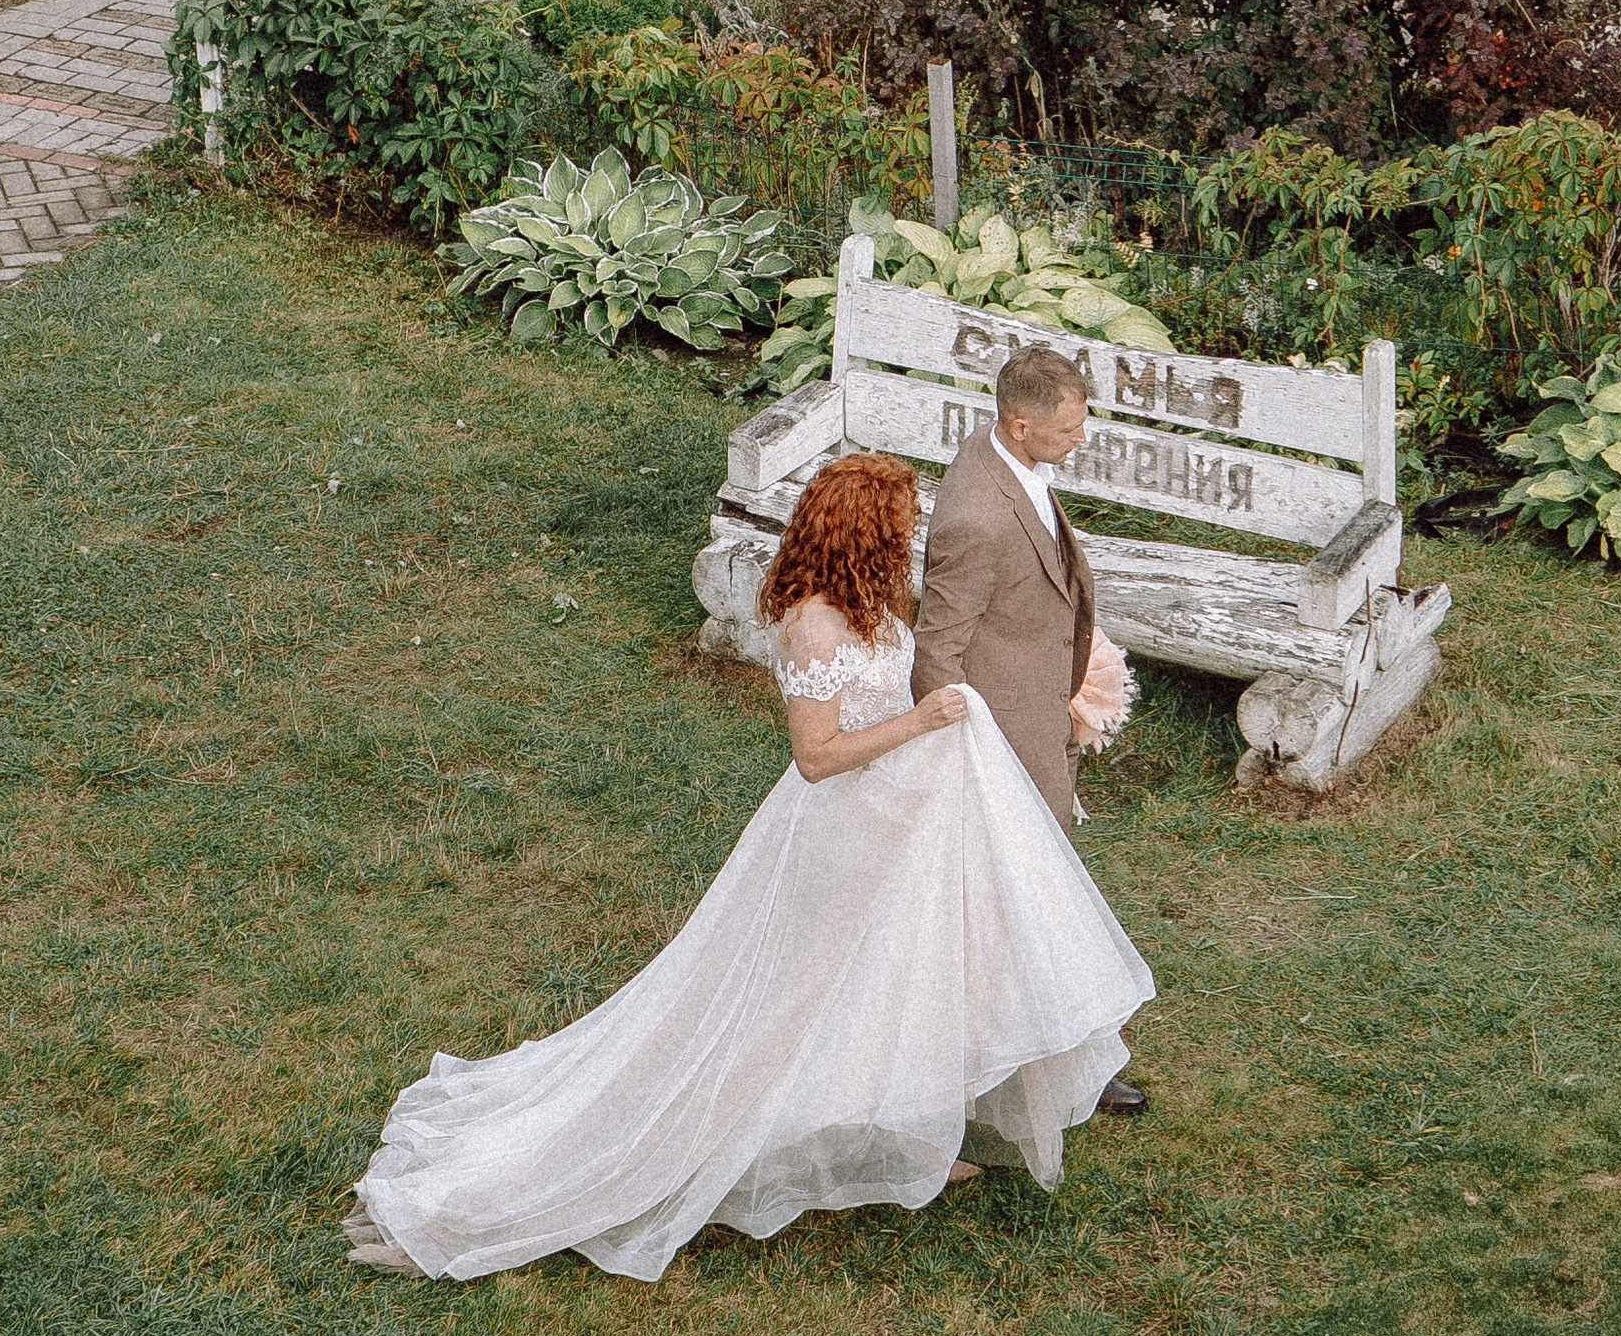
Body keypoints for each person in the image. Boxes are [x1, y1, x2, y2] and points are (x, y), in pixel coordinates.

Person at [342, 452, 1152, 1286]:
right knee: (796, 1000)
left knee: (897, 977)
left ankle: (909, 1135)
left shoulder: (872, 603)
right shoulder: (813, 626)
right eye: (900, 521)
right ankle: (666, 1146)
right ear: (863, 532)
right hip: (845, 830)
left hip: (900, 818)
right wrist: (922, 724)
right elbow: (816, 757)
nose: (912, 532)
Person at [915, 341, 1149, 1116]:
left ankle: (1060, 1053)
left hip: (1038, 715)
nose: (1081, 437)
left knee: (1041, 901)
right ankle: (1050, 1065)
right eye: (1069, 428)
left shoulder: (1010, 463)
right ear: (1019, 425)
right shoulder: (978, 515)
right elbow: (937, 651)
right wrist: (959, 758)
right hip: (1003, 743)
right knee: (1027, 906)